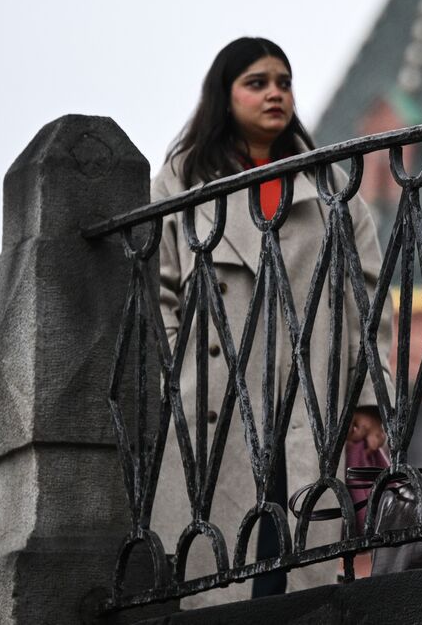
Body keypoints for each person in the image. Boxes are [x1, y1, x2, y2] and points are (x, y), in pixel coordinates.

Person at [151, 37, 392, 604]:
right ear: (224, 96)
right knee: (219, 573)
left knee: (296, 573)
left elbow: (368, 301)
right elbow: (152, 292)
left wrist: (366, 397)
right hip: (214, 411)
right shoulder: (179, 184)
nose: (275, 94)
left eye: (283, 82)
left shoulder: (335, 190)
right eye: (257, 83)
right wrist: (179, 374)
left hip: (306, 404)